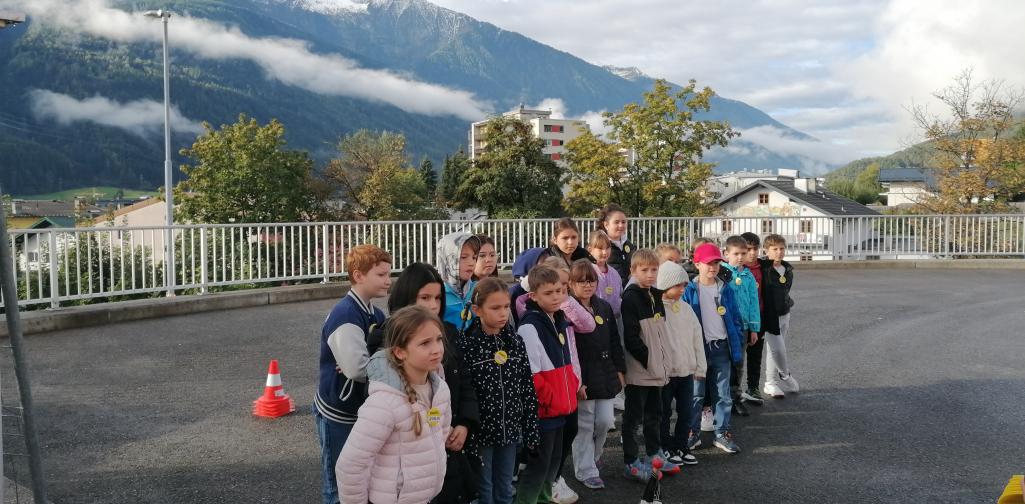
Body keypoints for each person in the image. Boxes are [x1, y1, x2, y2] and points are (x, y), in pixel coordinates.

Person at [367, 263, 481, 504]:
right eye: (424, 297)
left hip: (448, 447)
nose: (432, 305)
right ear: (407, 298)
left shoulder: (448, 332)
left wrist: (464, 423)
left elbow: (465, 381)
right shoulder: (387, 338)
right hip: (409, 457)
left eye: (437, 298)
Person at [337, 306, 452, 504]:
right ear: (400, 352)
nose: (437, 349)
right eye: (425, 343)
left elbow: (439, 434)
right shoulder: (384, 403)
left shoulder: (440, 389)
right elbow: (350, 465)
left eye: (439, 339)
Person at [315, 244, 391, 504]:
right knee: (339, 486)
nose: (388, 281)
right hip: (339, 411)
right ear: (359, 275)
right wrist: (379, 361)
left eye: (388, 274)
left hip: (358, 409)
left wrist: (373, 360)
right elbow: (357, 368)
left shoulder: (374, 312)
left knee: (360, 481)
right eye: (380, 275)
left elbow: (369, 361)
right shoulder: (346, 314)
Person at [515, 257, 594, 504]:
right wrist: (551, 403)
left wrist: (569, 390)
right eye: (548, 293)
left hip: (561, 407)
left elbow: (566, 364)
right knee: (539, 467)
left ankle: (544, 499)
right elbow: (532, 375)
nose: (556, 297)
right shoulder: (530, 327)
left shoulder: (558, 321)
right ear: (533, 296)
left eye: (560, 291)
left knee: (553, 465)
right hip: (545, 412)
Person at [459, 277, 540, 504]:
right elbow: (465, 391)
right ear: (477, 310)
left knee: (505, 487)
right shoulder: (468, 345)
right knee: (484, 488)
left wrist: (530, 427)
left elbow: (526, 385)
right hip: (481, 433)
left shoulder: (515, 341)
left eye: (506, 306)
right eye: (495, 308)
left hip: (510, 430)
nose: (503, 313)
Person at [621, 249, 680, 482]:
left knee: (655, 414)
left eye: (654, 270)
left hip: (657, 370)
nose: (649, 274)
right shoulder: (631, 297)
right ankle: (631, 461)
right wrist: (650, 361)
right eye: (644, 270)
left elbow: (661, 333)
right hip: (640, 370)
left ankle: (655, 454)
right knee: (633, 417)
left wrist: (662, 363)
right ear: (633, 271)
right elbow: (632, 338)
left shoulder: (655, 295)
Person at [567, 259, 625, 490]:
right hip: (584, 377)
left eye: (590, 281)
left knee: (605, 421)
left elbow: (614, 341)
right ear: (571, 284)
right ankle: (585, 469)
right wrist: (576, 381)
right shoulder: (568, 310)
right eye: (581, 282)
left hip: (606, 372)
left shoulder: (603, 306)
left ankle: (595, 455)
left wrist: (620, 370)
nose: (587, 286)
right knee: (584, 425)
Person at [683, 243, 745, 455]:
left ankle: (722, 432)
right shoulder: (690, 290)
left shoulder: (724, 288)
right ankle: (692, 432)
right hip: (698, 350)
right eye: (708, 263)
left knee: (723, 393)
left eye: (717, 262)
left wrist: (736, 338)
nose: (713, 267)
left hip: (721, 348)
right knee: (696, 394)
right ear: (697, 263)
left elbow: (735, 317)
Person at [657, 260, 703, 467]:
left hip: (686, 371)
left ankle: (681, 446)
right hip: (666, 373)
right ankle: (665, 446)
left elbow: (696, 337)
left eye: (684, 285)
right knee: (664, 412)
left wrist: (700, 366)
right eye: (679, 286)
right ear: (665, 286)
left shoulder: (686, 309)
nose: (683, 289)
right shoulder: (657, 310)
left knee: (686, 411)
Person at [721, 236, 761, 418]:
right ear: (726, 254)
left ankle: (735, 398)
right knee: (722, 364)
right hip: (723, 326)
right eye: (735, 253)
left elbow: (754, 302)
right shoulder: (721, 273)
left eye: (742, 254)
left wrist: (754, 328)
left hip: (743, 328)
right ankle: (720, 399)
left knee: (738, 364)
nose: (740, 257)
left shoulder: (748, 275)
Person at [759, 234, 799, 399]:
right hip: (770, 316)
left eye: (782, 248)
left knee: (773, 350)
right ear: (766, 250)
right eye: (774, 249)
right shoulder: (763, 269)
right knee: (778, 350)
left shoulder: (787, 269)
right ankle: (785, 374)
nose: (779, 252)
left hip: (785, 313)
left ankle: (770, 382)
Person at [739, 232, 766, 405]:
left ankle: (753, 387)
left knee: (755, 356)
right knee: (737, 359)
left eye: (755, 249)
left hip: (759, 318)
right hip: (740, 321)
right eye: (748, 249)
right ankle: (734, 391)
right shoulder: (734, 269)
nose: (752, 253)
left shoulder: (764, 267)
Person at [436, 232, 481, 331]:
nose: (471, 263)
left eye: (474, 257)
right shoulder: (437, 294)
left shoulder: (478, 290)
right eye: (463, 257)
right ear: (447, 258)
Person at [586, 230, 623, 319]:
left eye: (607, 248)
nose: (605, 252)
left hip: (615, 318)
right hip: (596, 318)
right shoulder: (588, 271)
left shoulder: (614, 273)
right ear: (590, 250)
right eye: (600, 248)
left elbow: (620, 294)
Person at [596, 203, 634, 286]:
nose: (621, 225)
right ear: (606, 224)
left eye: (623, 222)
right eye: (616, 222)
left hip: (628, 290)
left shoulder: (628, 244)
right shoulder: (598, 246)